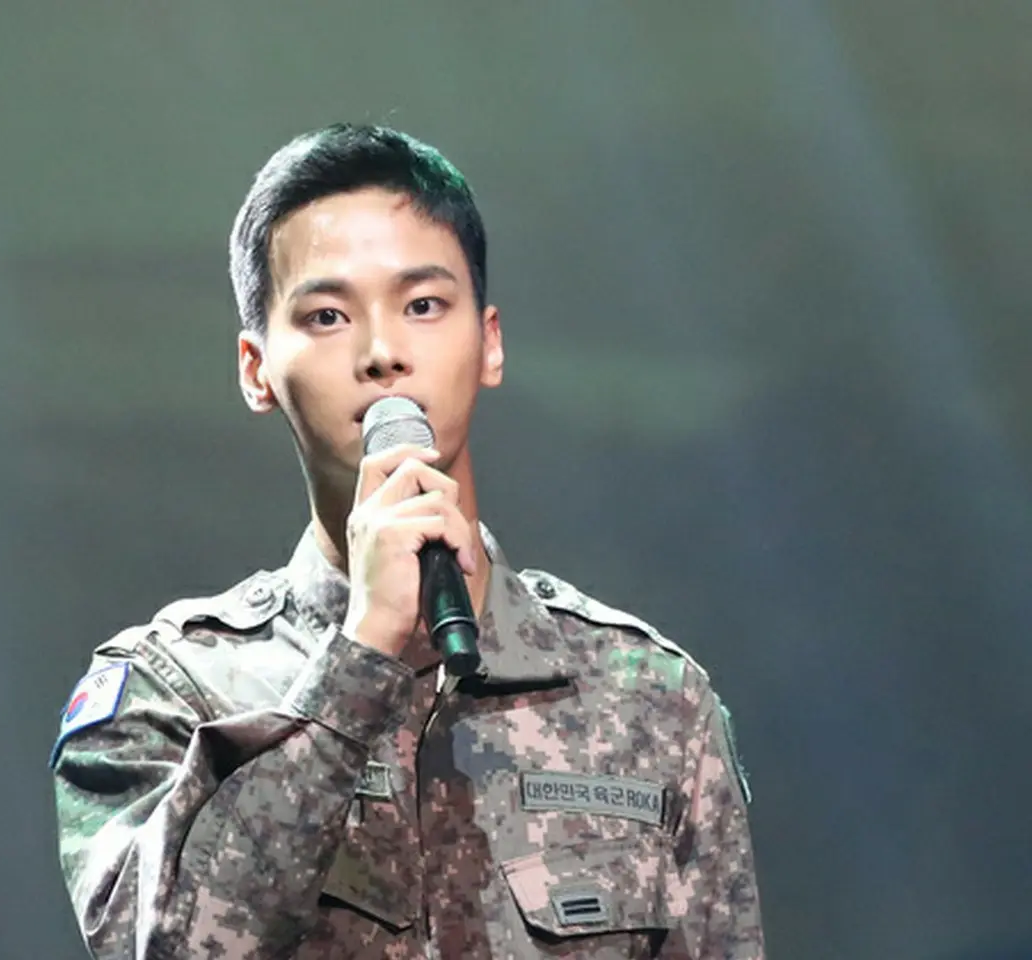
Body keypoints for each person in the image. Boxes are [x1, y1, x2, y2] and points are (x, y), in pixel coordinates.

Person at [51, 123, 766, 959]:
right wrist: (360, 656)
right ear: (256, 369)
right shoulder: (170, 692)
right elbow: (169, 948)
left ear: (489, 342)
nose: (383, 353)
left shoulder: (650, 699)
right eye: (326, 316)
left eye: (423, 305)